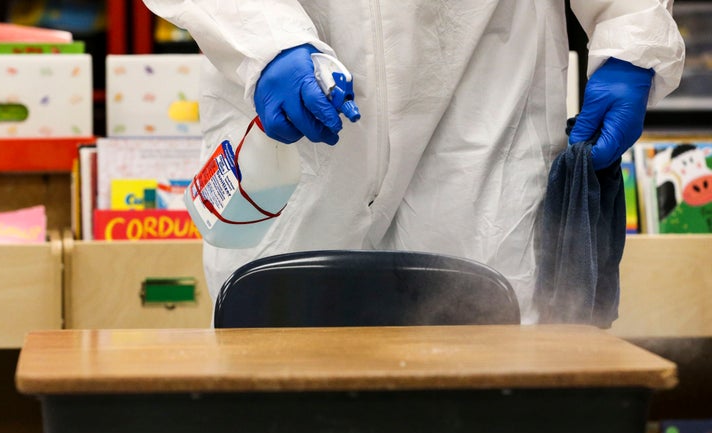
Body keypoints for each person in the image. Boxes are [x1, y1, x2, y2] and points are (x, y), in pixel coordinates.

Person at [141, 0, 684, 323]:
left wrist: (632, 33)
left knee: (485, 390)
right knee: (285, 394)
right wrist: (263, 41)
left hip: (485, 107)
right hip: (297, 118)